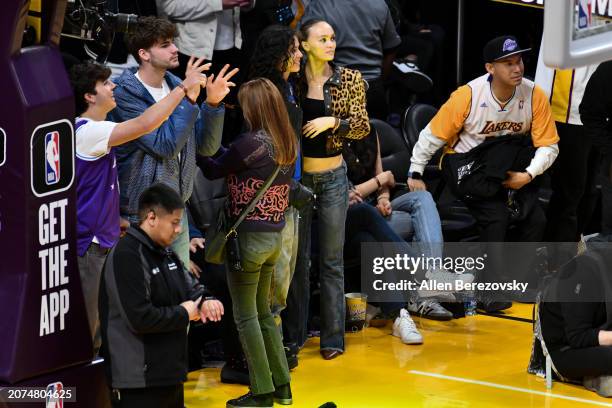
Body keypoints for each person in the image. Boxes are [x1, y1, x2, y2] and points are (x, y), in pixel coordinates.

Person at [408, 35, 559, 312]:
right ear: (490, 68)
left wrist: (527, 175)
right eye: (508, 64)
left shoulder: (534, 94)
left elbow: (549, 146)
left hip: (507, 167)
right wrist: (415, 172)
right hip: (467, 167)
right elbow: (431, 135)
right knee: (496, 216)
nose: (518, 69)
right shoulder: (468, 95)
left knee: (535, 217)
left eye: (520, 61)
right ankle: (487, 289)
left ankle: (516, 282)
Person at [69, 59, 207, 354]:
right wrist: (182, 89)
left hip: (103, 239)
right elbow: (146, 123)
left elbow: (98, 187)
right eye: (105, 84)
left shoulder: (93, 131)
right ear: (89, 96)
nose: (113, 86)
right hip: (89, 246)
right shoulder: (88, 131)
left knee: (107, 325)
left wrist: (113, 218)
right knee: (90, 330)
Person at [108, 16, 238, 270]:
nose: (174, 49)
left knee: (178, 294)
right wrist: (189, 102)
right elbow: (164, 146)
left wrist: (212, 104)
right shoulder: (125, 94)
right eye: (165, 44)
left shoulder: (177, 85)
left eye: (173, 43)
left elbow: (206, 148)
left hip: (177, 208)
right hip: (142, 214)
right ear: (144, 53)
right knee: (146, 295)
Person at [198, 78, 296, 408]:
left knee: (246, 318)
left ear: (253, 107)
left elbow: (212, 168)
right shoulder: (286, 141)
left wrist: (197, 148)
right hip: (274, 236)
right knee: (264, 314)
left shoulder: (250, 142)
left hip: (248, 240)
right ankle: (282, 387)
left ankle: (262, 392)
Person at [99, 183, 224, 408]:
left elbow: (190, 286)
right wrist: (184, 313)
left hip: (169, 374)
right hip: (138, 382)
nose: (178, 230)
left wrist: (205, 299)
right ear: (152, 217)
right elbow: (140, 317)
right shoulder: (127, 256)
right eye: (174, 223)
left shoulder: (165, 252)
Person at [343, 126, 473, 321]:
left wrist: (383, 199)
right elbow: (343, 196)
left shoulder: (370, 131)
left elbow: (384, 187)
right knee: (419, 225)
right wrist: (381, 180)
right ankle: (425, 288)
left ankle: (431, 277)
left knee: (422, 199)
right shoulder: (332, 136)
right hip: (351, 219)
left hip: (377, 212)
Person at [297, 19, 370, 360]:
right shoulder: (292, 79)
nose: (330, 44)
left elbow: (362, 126)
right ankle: (294, 336)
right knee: (296, 262)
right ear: (304, 44)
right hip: (298, 181)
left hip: (333, 178)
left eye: (333, 38)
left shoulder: (349, 78)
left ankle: (332, 339)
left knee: (331, 261)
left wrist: (333, 122)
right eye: (322, 39)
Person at [248, 24, 310, 369]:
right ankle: (268, 357)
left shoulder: (287, 87)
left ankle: (280, 346)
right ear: (279, 52)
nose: (300, 54)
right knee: (271, 285)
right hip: (270, 197)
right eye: (294, 48)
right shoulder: (264, 91)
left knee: (284, 281)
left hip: (290, 194)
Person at [535, 40, 599, 245]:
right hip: (566, 111)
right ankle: (556, 259)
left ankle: (572, 246)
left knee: (590, 191)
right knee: (570, 194)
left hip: (598, 112)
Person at [301, 0, 401, 120]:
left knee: (329, 137)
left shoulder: (319, 5)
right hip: (373, 87)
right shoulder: (379, 4)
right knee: (377, 135)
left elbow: (303, 47)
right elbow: (391, 48)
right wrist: (380, 81)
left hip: (336, 89)